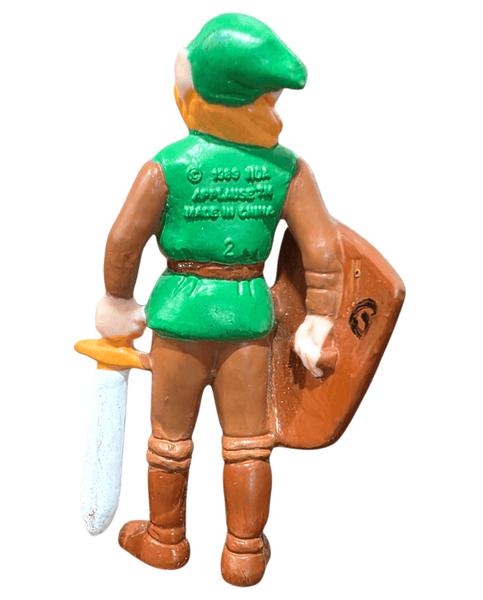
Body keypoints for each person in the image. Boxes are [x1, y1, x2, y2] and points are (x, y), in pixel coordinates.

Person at [94, 14, 343, 587]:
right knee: (249, 445)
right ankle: (244, 553)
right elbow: (324, 249)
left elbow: (123, 242)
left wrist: (118, 301)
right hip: (247, 320)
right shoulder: (286, 170)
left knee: (168, 442)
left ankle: (165, 539)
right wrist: (320, 318)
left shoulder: (167, 166)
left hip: (179, 318)